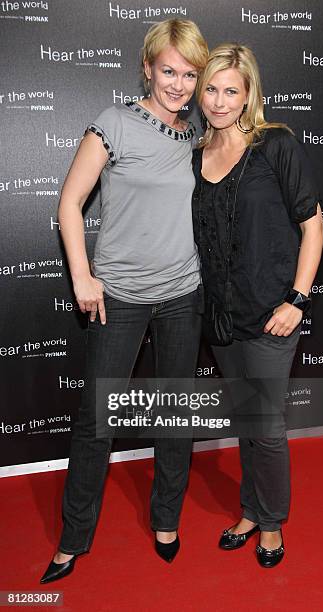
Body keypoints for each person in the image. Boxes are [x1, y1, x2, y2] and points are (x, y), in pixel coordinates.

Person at [40, 19, 208, 583]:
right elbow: (70, 203)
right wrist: (83, 277)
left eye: (190, 74)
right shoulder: (113, 123)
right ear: (147, 67)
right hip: (121, 296)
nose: (179, 85)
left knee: (175, 416)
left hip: (184, 292)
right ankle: (72, 539)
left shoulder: (195, 135)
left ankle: (166, 520)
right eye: (169, 71)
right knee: (95, 423)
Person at [192, 43, 323, 568]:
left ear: (249, 94)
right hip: (222, 315)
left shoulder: (275, 146)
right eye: (211, 89)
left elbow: (313, 226)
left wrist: (298, 298)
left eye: (231, 90)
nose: (220, 101)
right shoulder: (196, 152)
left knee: (266, 426)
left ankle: (271, 524)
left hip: (273, 312)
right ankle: (251, 509)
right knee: (247, 420)